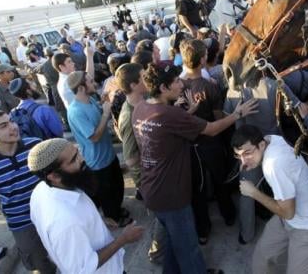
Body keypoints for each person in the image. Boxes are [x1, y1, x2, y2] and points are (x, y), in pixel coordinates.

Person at [132, 63, 258, 273]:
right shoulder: (170, 115)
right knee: (189, 250)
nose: (181, 84)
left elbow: (167, 129)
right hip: (172, 197)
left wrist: (189, 112)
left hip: (152, 191)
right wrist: (237, 114)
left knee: (173, 244)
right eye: (176, 82)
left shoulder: (141, 108)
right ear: (163, 88)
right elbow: (210, 129)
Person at [28, 138, 144, 273]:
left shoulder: (42, 189)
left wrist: (96, 221)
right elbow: (84, 268)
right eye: (73, 160)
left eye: (78, 153)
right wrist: (123, 239)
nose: (82, 160)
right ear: (54, 176)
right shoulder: (64, 223)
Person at [232, 125, 308, 274]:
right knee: (262, 258)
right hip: (290, 217)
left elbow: (287, 213)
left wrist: (253, 192)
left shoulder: (273, 164)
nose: (243, 161)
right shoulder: (271, 139)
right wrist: (249, 157)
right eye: (238, 155)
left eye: (247, 153)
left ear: (261, 145)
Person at [179, 39, 235, 243]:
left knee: (197, 190)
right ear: (203, 60)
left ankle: (203, 230)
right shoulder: (209, 87)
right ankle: (229, 216)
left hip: (189, 147)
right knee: (221, 180)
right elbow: (220, 118)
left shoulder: (178, 86)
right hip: (211, 143)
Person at [0, 109, 56, 273]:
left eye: (11, 121)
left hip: (51, 212)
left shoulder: (35, 145)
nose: (13, 127)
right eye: (4, 126)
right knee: (40, 264)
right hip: (21, 222)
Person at [115, 63, 166, 263]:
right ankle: (157, 253)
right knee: (162, 219)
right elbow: (130, 159)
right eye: (144, 76)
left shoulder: (141, 103)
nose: (148, 78)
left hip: (155, 173)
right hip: (148, 180)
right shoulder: (129, 116)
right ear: (135, 84)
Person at [67, 70, 131, 227]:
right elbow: (94, 137)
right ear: (81, 88)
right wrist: (105, 114)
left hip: (108, 155)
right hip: (97, 162)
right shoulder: (76, 111)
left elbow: (101, 117)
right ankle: (114, 218)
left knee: (117, 186)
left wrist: (103, 105)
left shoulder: (90, 100)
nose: (93, 83)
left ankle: (117, 209)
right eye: (89, 81)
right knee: (107, 194)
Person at [52, 43, 94, 108]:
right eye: (69, 62)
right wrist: (89, 56)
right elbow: (88, 78)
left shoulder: (67, 78)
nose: (73, 63)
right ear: (61, 67)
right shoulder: (67, 81)